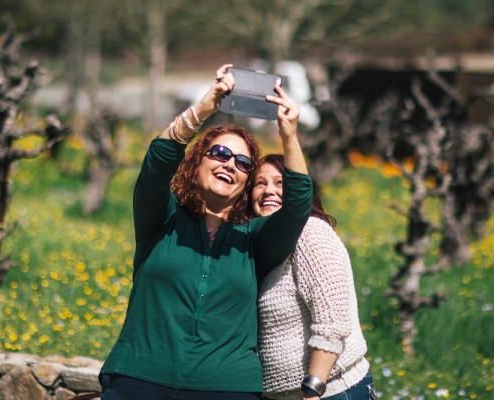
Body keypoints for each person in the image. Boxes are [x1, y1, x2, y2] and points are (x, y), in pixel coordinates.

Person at [98, 64, 313, 400]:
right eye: (221, 153)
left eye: (243, 164)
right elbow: (156, 163)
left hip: (227, 388)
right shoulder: (162, 217)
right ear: (197, 162)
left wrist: (289, 133)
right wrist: (204, 108)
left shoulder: (254, 238)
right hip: (138, 378)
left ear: (245, 183)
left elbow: (298, 203)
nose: (230, 164)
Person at [252, 154, 375, 400]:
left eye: (279, 183)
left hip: (331, 391)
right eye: (259, 183)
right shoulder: (263, 246)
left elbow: (332, 323)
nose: (269, 191)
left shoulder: (310, 232)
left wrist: (312, 390)